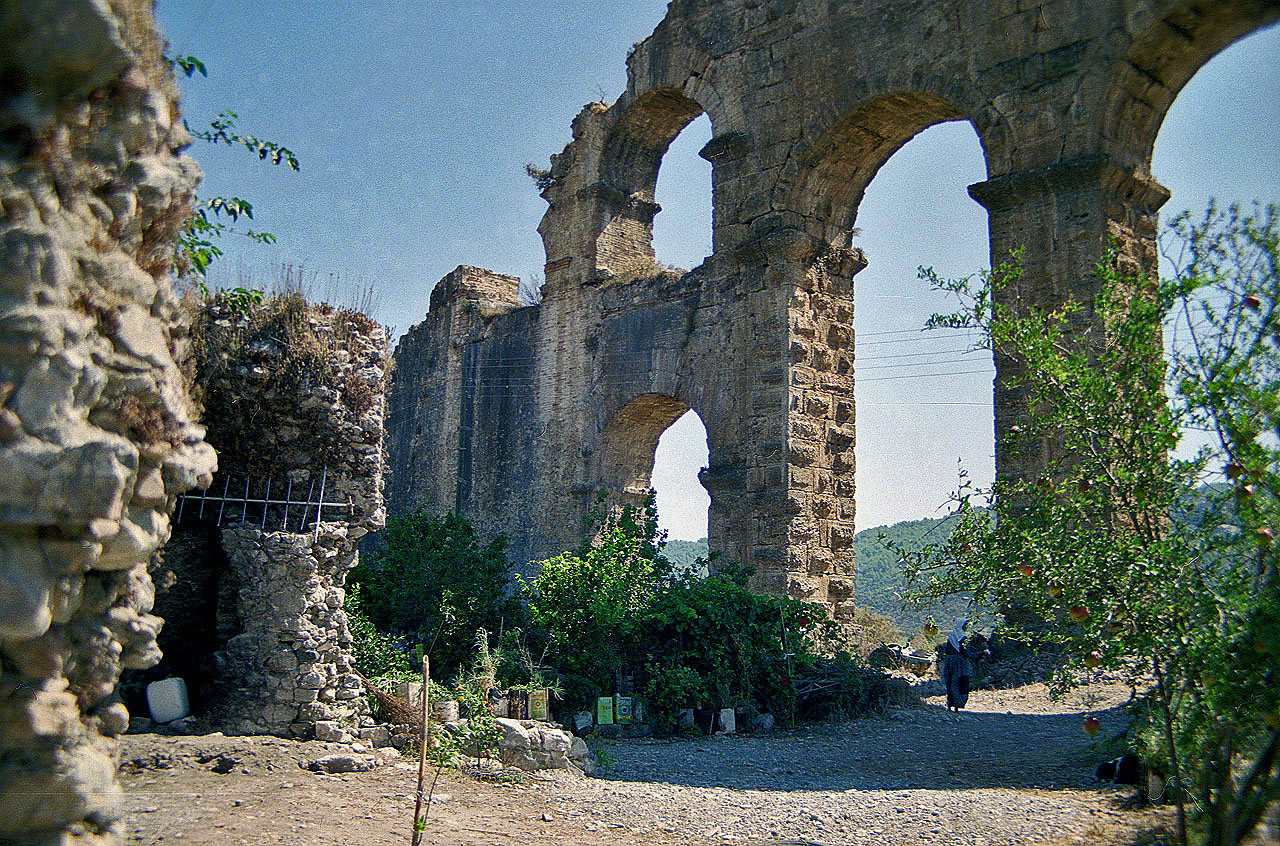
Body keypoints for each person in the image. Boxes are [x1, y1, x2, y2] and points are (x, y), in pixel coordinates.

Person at [938, 618, 974, 711]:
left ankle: (950, 704)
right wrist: (980, 654)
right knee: (959, 681)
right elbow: (966, 652)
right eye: (965, 625)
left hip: (949, 661)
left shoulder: (951, 636)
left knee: (950, 681)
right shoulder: (962, 637)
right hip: (959, 662)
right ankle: (958, 704)